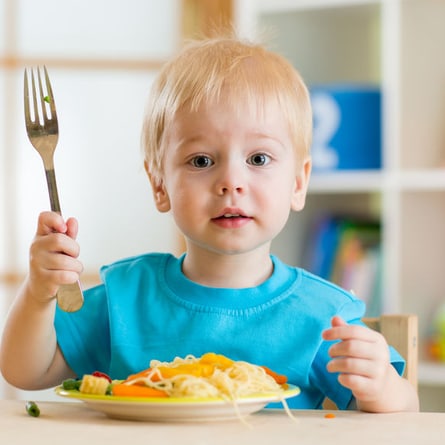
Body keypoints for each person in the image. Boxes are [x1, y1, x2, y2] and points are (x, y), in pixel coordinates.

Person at [0, 36, 418, 412]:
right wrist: (39, 294)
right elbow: (26, 372)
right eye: (201, 161)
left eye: (258, 159)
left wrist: (381, 387)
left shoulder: (323, 315)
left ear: (298, 182)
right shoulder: (125, 297)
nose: (231, 182)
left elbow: (404, 413)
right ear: (159, 185)